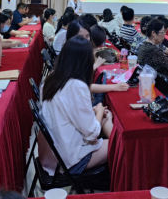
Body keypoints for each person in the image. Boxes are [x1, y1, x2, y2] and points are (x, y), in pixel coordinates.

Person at [39, 36, 114, 176]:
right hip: (69, 160)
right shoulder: (76, 86)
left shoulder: (51, 79)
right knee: (120, 146)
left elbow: (68, 113)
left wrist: (93, 112)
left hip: (52, 155)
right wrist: (99, 112)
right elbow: (92, 133)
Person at [137, 19, 168, 86]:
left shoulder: (143, 46)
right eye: (162, 32)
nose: (164, 35)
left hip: (152, 82)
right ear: (153, 33)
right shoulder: (154, 51)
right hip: (165, 84)